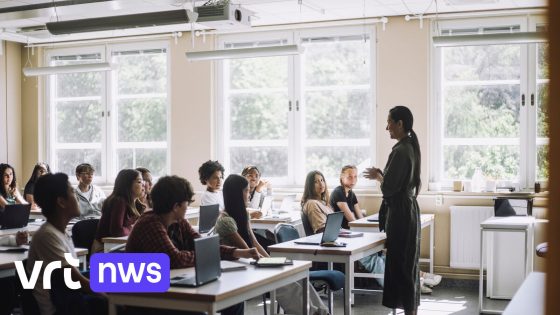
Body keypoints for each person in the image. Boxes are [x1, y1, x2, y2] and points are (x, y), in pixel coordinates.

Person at [126, 175, 258, 315]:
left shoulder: (179, 221)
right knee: (198, 312)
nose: (187, 207)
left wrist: (237, 252)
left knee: (233, 300)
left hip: (169, 286)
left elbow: (204, 246)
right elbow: (175, 259)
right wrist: (203, 255)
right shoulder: (150, 223)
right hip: (144, 295)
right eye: (186, 203)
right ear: (176, 206)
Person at [214, 174, 329, 315]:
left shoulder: (243, 214)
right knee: (282, 280)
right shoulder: (225, 221)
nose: (249, 194)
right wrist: (269, 263)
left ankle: (322, 312)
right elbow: (247, 249)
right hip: (238, 268)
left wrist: (269, 259)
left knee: (299, 275)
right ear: (236, 194)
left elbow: (255, 243)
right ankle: (311, 312)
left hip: (250, 262)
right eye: (246, 191)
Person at [363, 105, 422, 314]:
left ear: (400, 123)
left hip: (400, 214)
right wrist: (383, 175)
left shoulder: (401, 150)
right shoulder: (410, 147)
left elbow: (388, 188)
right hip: (408, 210)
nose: (387, 126)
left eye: (389, 122)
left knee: (401, 267)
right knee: (407, 265)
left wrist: (379, 176)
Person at [27, 173, 107, 315]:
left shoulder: (60, 232)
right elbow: (75, 279)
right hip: (60, 309)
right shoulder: (47, 236)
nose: (76, 197)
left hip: (70, 299)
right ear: (61, 202)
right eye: (72, 192)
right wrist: (112, 296)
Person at [92, 169, 145, 253]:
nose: (143, 185)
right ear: (127, 184)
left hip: (118, 247)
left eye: (143, 181)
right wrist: (133, 228)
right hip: (104, 250)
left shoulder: (136, 203)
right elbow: (117, 230)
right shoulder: (119, 201)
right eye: (139, 181)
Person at [329, 165, 364, 229]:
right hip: (342, 231)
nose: (353, 180)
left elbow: (360, 217)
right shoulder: (338, 192)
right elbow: (351, 220)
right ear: (342, 177)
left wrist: (366, 225)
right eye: (349, 177)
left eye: (355, 176)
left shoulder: (352, 194)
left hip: (351, 229)